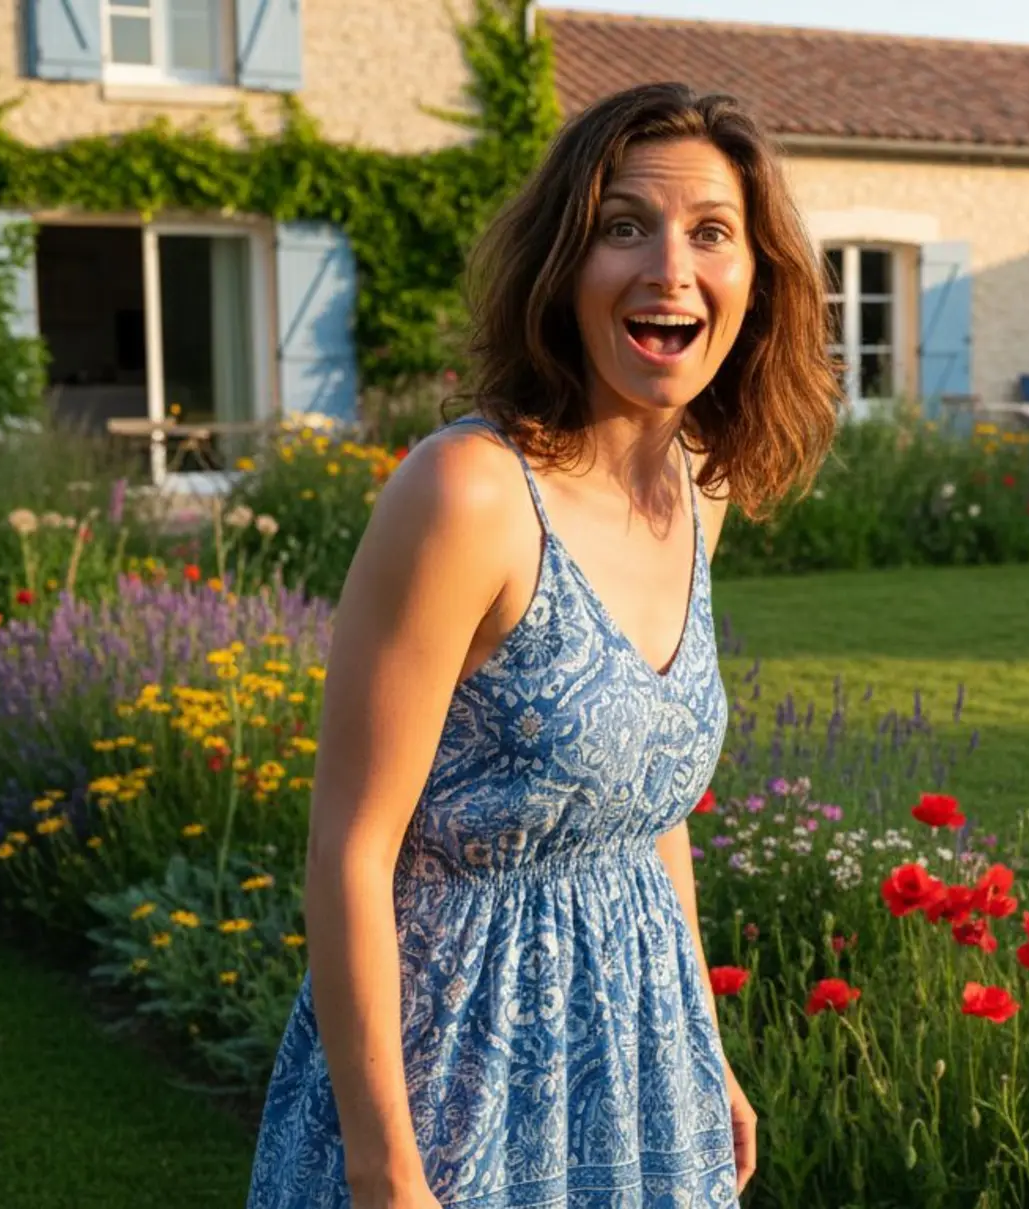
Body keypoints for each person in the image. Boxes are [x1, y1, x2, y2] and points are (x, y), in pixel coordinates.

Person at [246, 81, 838, 1208]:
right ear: (562, 269)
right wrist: (384, 1172)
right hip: (450, 1084)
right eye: (624, 227)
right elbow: (349, 852)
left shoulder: (698, 492)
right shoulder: (468, 493)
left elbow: (647, 812)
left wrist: (704, 1051)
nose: (669, 266)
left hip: (638, 1072)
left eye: (711, 233)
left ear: (755, 282)